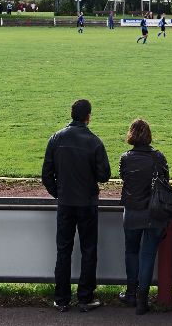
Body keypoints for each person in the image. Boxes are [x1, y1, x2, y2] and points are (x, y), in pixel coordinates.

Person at [42, 99, 112, 313]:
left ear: (72, 114)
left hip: (66, 203)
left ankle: (61, 299)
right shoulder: (94, 142)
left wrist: (59, 193)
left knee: (63, 250)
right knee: (88, 250)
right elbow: (104, 175)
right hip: (87, 204)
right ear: (88, 116)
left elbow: (47, 174)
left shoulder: (56, 138)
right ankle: (85, 297)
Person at [117, 119, 170, 315]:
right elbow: (165, 181)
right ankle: (142, 298)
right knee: (147, 255)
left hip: (132, 211)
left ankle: (131, 293)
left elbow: (125, 179)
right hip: (154, 212)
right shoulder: (158, 157)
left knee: (131, 252)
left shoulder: (126, 158)